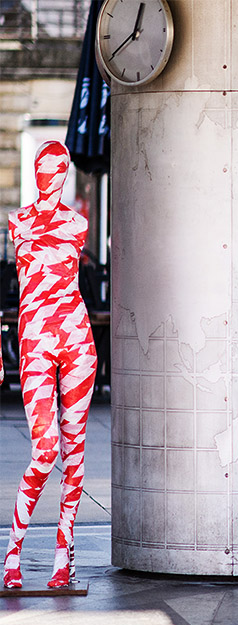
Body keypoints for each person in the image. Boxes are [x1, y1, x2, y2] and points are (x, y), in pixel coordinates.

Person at [4, 142, 98, 589]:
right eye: (46, 167)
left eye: (61, 168)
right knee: (46, 450)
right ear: (36, 172)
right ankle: (14, 551)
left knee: (75, 451)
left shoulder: (77, 223)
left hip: (76, 336)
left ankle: (65, 551)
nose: (53, 174)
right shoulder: (17, 221)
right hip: (36, 338)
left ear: (65, 174)